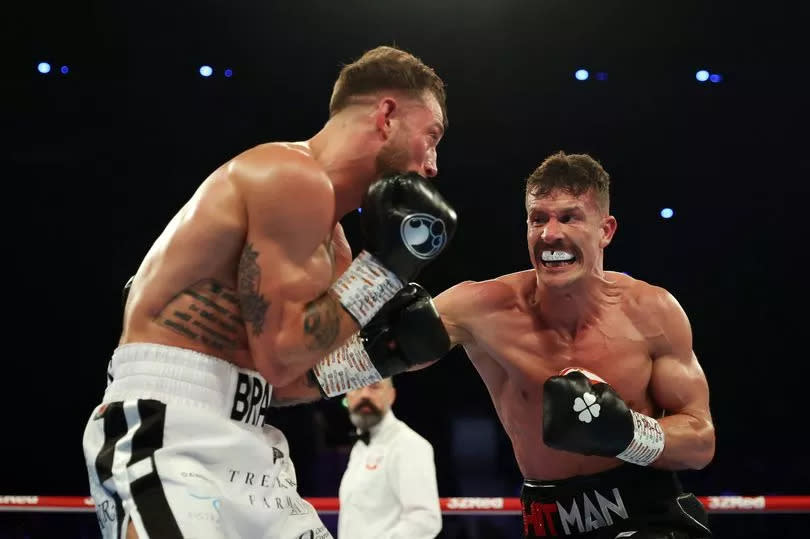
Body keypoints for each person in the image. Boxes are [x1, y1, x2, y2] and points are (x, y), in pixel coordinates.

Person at [82, 45, 457, 539]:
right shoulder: (290, 176)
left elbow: (284, 382)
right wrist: (383, 273)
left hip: (251, 434)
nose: (432, 165)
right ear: (386, 115)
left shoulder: (337, 249)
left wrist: (384, 357)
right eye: (431, 136)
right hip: (166, 427)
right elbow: (282, 354)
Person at [430, 151, 716, 538]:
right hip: (549, 520)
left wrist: (628, 434)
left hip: (646, 513)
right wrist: (378, 270)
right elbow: (381, 349)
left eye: (569, 217)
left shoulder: (653, 312)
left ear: (606, 230)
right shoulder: (479, 309)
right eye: (538, 219)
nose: (550, 234)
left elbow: (700, 443)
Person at [337, 378, 442, 539]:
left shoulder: (409, 445)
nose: (365, 394)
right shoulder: (360, 447)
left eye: (375, 387)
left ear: (391, 395)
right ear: (347, 396)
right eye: (356, 387)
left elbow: (425, 519)